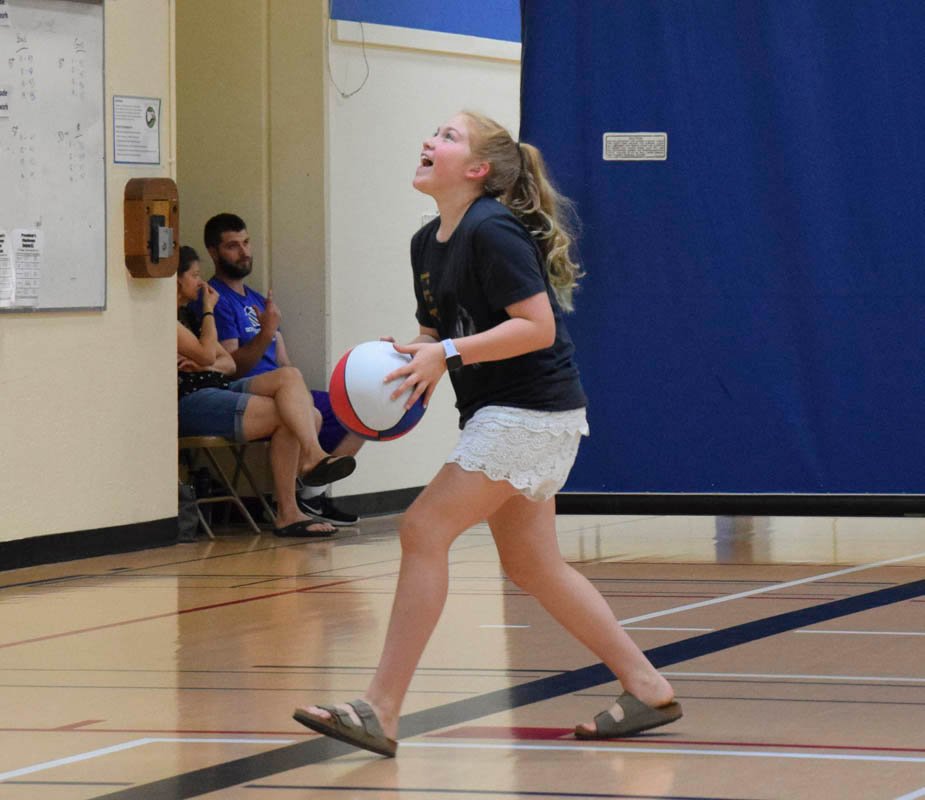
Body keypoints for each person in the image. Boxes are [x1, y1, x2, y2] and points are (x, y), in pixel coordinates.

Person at [291, 112, 681, 756]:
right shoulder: (427, 242)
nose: (429, 140)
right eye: (432, 132)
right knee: (533, 564)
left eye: (447, 137)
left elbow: (536, 327)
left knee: (422, 528)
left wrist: (444, 352)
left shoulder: (492, 228)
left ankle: (379, 709)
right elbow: (438, 331)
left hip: (530, 411)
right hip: (508, 413)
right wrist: (407, 359)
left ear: (478, 170)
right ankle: (647, 685)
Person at [176, 245, 356, 537]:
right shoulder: (171, 320)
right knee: (297, 415)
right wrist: (208, 313)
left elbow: (227, 364)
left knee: (290, 376)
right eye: (195, 275)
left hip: (217, 385)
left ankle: (312, 455)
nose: (201, 282)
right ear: (176, 281)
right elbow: (210, 355)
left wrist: (203, 362)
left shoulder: (190, 318)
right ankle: (289, 510)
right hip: (189, 400)